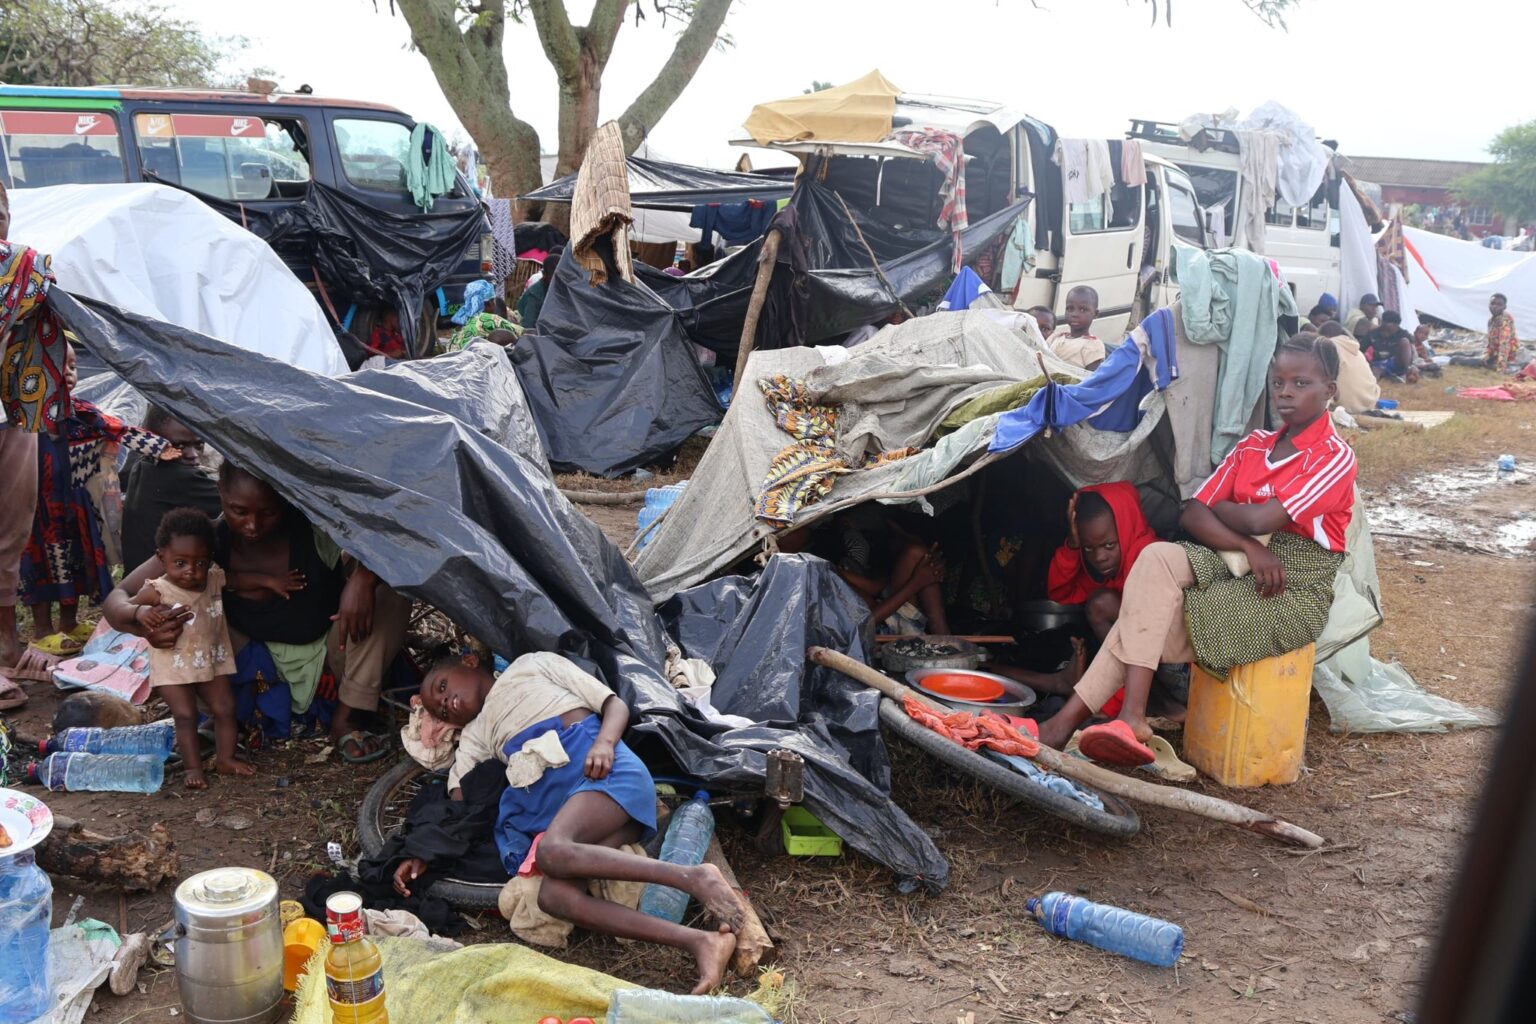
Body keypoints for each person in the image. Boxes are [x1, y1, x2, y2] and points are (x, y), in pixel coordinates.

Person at [1037, 334, 1357, 762]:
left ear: (1329, 391)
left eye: (1301, 383)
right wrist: (1247, 541)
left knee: (1148, 612)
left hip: (1288, 584)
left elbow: (1264, 519)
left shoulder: (1332, 455)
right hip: (1237, 557)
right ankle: (1131, 716)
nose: (1285, 392)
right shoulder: (1254, 445)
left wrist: (1228, 511)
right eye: (1279, 382)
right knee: (1156, 558)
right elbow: (1191, 514)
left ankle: (1065, 724)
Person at [394, 654, 741, 994]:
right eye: (439, 709)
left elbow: (613, 704)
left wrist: (605, 744)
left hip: (602, 771)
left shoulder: (529, 666)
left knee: (552, 850)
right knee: (553, 896)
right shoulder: (474, 736)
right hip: (569, 812)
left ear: (468, 662)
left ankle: (696, 878)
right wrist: (428, 851)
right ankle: (702, 942)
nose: (445, 702)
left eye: (442, 686)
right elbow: (460, 802)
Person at [104, 464, 409, 761]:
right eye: (239, 512)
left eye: (267, 512)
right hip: (238, 669)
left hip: (330, 659)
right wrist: (143, 621)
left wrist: (364, 579)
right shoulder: (200, 545)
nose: (253, 525)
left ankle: (348, 718)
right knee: (181, 608)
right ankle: (225, 719)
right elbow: (118, 598)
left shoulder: (315, 531)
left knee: (393, 596)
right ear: (221, 494)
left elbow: (396, 540)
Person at [20, 344, 165, 651]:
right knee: (43, 567)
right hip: (36, 510)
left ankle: (69, 623)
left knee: (76, 563)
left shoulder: (79, 412)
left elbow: (117, 429)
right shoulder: (22, 419)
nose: (70, 373)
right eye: (60, 365)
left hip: (73, 505)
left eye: (73, 366)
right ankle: (43, 630)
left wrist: (160, 447)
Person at [997, 483, 1158, 701]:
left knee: (1099, 605)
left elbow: (1144, 639)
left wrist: (1111, 705)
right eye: (1089, 548)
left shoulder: (1148, 557)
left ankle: (1158, 703)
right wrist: (1073, 546)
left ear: (1127, 527)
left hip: (1169, 665)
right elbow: (1060, 592)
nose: (1099, 557)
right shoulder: (1107, 568)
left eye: (1109, 545)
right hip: (1141, 660)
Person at [129, 508, 250, 788]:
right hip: (172, 663)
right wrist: (141, 616)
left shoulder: (212, 578)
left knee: (225, 707)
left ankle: (225, 759)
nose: (191, 572)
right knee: (185, 715)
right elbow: (126, 607)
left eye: (200, 563)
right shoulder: (157, 590)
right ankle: (192, 769)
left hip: (210, 659)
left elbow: (241, 581)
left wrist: (272, 581)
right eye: (180, 563)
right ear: (162, 558)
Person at [779, 508, 951, 635]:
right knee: (921, 560)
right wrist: (917, 583)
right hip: (878, 630)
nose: (805, 526)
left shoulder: (814, 563)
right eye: (790, 527)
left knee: (918, 554)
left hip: (884, 610)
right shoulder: (797, 577)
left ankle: (942, 631)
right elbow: (862, 626)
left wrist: (921, 574)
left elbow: (873, 587)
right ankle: (942, 634)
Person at [120, 406, 222, 572]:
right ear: (153, 441)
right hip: (162, 588)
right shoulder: (178, 477)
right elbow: (238, 502)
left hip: (138, 580)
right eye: (179, 446)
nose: (193, 454)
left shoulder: (142, 466)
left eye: (198, 445)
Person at [1318, 321, 1380, 414]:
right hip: (1369, 403)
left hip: (1345, 407)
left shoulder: (1328, 347)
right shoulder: (1357, 351)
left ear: (1324, 336)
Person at [1046, 286, 1105, 371]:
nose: (1075, 314)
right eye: (1070, 309)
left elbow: (1093, 378)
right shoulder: (1056, 337)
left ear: (1095, 314)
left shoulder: (1092, 345)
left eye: (1082, 310)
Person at [1365, 311, 1420, 384]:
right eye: (1384, 329)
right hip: (1379, 363)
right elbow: (1360, 349)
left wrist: (1412, 365)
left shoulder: (1403, 333)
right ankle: (1376, 383)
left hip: (1396, 362)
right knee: (1375, 371)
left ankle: (1407, 372)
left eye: (1389, 330)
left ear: (1397, 326)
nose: (1386, 333)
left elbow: (1412, 347)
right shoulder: (1373, 334)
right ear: (1382, 323)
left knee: (1405, 341)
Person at [517, 246, 561, 332]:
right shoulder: (536, 293)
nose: (558, 280)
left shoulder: (564, 287)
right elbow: (528, 325)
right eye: (554, 277)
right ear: (544, 275)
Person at [1485, 292, 1519, 372]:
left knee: (1476, 361)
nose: (1494, 307)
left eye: (1499, 304)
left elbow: (1504, 345)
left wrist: (1500, 369)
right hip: (1496, 352)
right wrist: (1486, 355)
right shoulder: (1491, 320)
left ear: (1504, 307)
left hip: (1509, 355)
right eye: (1492, 303)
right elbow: (1490, 342)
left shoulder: (1505, 321)